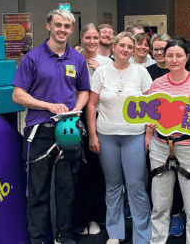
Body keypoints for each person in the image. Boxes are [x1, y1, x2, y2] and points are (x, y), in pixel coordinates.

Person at [12, 9, 90, 244]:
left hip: (68, 129)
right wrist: (48, 106)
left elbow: (84, 90)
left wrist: (75, 111)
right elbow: (17, 95)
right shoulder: (32, 58)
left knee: (67, 188)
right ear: (48, 26)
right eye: (58, 25)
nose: (62, 30)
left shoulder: (77, 59)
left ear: (72, 29)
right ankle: (37, 239)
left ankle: (64, 237)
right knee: (38, 190)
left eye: (67, 26)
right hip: (39, 129)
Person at [87, 31, 153, 244]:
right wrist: (93, 135)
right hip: (106, 136)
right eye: (122, 45)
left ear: (133, 51)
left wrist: (148, 135)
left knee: (136, 186)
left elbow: (150, 106)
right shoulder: (101, 72)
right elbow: (91, 104)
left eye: (130, 47)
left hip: (134, 135)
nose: (125, 50)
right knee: (113, 185)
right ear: (114, 46)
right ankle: (115, 233)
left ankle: (143, 234)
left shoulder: (141, 72)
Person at [147, 39, 190, 244]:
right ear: (164, 58)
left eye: (178, 55)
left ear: (187, 58)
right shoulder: (157, 84)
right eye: (170, 55)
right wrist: (151, 126)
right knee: (159, 206)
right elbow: (149, 114)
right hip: (161, 147)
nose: (174, 60)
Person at [73, 23, 112, 235]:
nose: (92, 41)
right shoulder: (72, 58)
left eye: (95, 37)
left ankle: (96, 218)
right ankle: (80, 218)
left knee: (97, 170)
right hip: (76, 115)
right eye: (88, 37)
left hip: (100, 117)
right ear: (81, 39)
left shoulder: (107, 62)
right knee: (78, 170)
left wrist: (100, 70)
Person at [145, 32, 185, 237]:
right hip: (156, 137)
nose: (161, 53)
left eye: (164, 49)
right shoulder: (147, 72)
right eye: (157, 49)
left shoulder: (184, 72)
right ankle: (159, 222)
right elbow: (146, 108)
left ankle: (177, 215)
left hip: (181, 138)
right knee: (158, 179)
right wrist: (148, 134)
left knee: (179, 180)